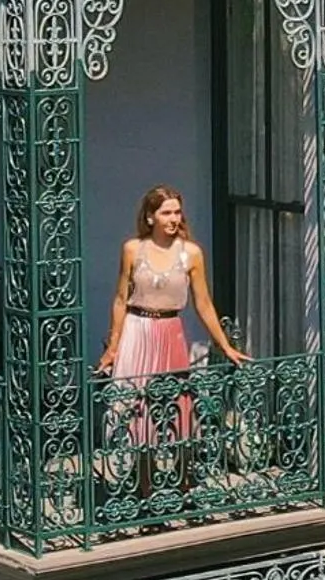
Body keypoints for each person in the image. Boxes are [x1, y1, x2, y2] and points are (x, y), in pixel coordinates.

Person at [96, 185, 247, 450]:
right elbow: (120, 299)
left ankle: (181, 478)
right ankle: (143, 482)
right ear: (151, 217)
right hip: (137, 328)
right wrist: (113, 347)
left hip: (170, 329)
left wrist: (224, 345)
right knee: (136, 408)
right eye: (166, 213)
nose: (174, 218)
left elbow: (203, 303)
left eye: (177, 212)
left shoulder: (191, 253)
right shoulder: (133, 249)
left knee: (175, 407)